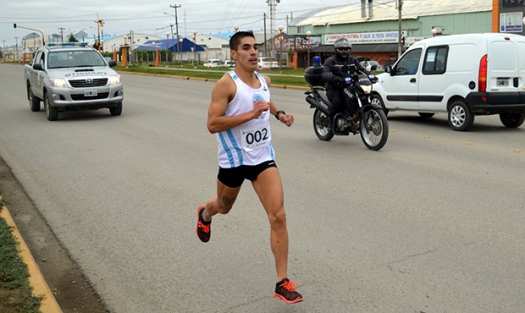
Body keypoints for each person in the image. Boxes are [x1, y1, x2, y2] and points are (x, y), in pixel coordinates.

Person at [195, 31, 303, 305]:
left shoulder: (264, 80)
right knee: (223, 207)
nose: (253, 52)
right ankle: (205, 213)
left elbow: (264, 99)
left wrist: (279, 115)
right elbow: (212, 125)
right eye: (246, 48)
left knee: (278, 215)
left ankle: (282, 282)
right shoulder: (225, 85)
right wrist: (251, 115)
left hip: (262, 158)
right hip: (234, 161)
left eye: (255, 47)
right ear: (234, 54)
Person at [322, 37, 373, 119]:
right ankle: (331, 124)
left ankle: (353, 114)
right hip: (335, 87)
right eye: (341, 49)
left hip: (349, 86)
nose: (344, 51)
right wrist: (334, 78)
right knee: (338, 102)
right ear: (336, 49)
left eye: (346, 49)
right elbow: (325, 73)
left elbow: (361, 69)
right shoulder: (331, 61)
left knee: (360, 96)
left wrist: (370, 75)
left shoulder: (353, 60)